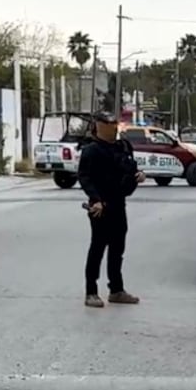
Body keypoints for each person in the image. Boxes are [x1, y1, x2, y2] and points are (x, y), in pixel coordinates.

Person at [77, 111, 145, 307]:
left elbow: (130, 169)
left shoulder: (123, 147)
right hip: (100, 206)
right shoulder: (91, 150)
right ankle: (91, 292)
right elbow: (85, 177)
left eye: (115, 124)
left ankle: (116, 289)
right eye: (109, 125)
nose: (113, 128)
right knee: (97, 248)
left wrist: (138, 176)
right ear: (99, 126)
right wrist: (95, 199)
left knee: (118, 248)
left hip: (118, 203)